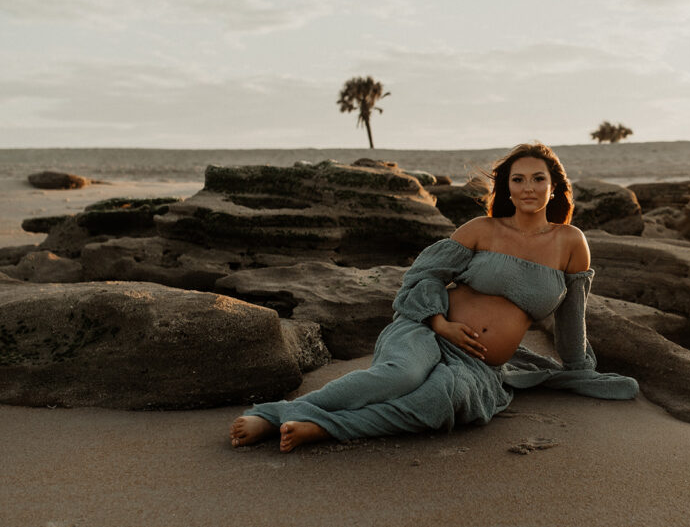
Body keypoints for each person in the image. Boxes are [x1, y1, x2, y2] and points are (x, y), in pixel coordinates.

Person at [229, 142, 638, 452]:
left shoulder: (571, 242)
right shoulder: (482, 229)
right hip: (426, 331)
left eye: (538, 178)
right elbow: (421, 276)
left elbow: (572, 318)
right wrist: (440, 323)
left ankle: (323, 426)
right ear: (506, 187)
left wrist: (579, 370)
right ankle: (276, 413)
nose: (528, 187)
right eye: (518, 179)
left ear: (554, 187)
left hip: (479, 363)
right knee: (399, 377)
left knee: (440, 401)